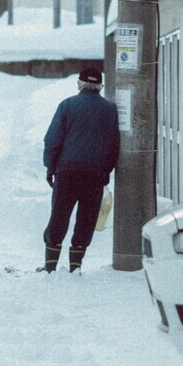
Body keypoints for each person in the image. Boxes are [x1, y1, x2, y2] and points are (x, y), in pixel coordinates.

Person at [40, 67, 120, 273]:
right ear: (99, 86)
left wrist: (51, 167)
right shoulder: (110, 110)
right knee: (87, 218)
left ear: (79, 84)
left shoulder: (67, 105)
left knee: (60, 214)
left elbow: (52, 141)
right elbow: (114, 144)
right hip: (95, 174)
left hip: (67, 172)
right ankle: (76, 266)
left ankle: (50, 266)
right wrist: (106, 171)